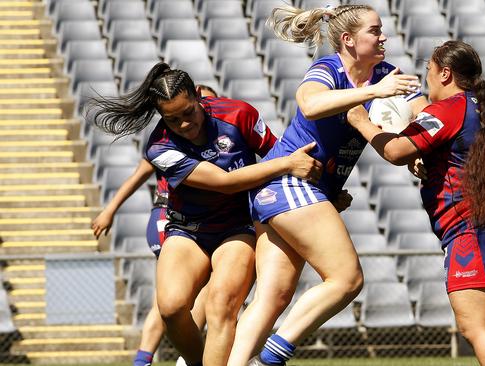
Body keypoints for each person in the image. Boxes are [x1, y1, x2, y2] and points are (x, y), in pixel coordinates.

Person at [226, 4, 429, 366]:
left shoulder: (386, 75)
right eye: (374, 30)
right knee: (347, 278)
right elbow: (310, 105)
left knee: (273, 296)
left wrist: (417, 149)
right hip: (288, 180)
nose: (383, 37)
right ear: (348, 40)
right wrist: (373, 93)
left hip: (290, 191)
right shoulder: (328, 69)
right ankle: (270, 359)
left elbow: (421, 111)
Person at [89, 63, 322, 366]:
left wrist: (321, 187)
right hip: (188, 230)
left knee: (221, 305)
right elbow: (224, 183)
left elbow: (277, 153)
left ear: (198, 96)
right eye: (172, 120)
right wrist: (287, 164)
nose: (184, 125)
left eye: (188, 113)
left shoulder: (240, 114)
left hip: (238, 228)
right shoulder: (161, 147)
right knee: (171, 308)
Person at [345, 40, 485, 366]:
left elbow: (395, 151)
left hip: (473, 229)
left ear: (445, 73)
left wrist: (361, 120)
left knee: (479, 329)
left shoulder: (449, 107)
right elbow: (460, 158)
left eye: (429, 72)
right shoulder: (476, 105)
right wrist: (430, 166)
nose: (427, 80)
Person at [91, 85, 218, 366]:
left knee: (171, 298)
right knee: (192, 291)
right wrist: (109, 210)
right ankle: (189, 357)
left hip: (184, 221)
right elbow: (138, 176)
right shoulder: (170, 141)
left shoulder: (216, 137)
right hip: (168, 217)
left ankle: (144, 360)